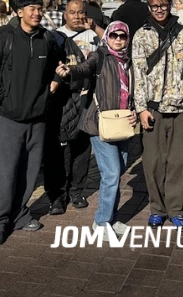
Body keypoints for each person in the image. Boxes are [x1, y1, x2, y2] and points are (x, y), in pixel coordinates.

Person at [0, 0, 63, 245]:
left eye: (39, 9)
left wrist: (54, 84)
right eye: (31, 9)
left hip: (38, 118)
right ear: (19, 12)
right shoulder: (6, 38)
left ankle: (19, 214)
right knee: (5, 172)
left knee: (29, 171)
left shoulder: (46, 39)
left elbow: (53, 70)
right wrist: (3, 100)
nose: (37, 13)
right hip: (9, 118)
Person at [57, 21, 137, 241]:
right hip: (99, 122)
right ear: (107, 37)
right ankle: (101, 221)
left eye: (123, 36)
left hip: (123, 122)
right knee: (110, 174)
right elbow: (85, 68)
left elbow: (135, 89)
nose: (118, 40)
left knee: (117, 172)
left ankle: (112, 217)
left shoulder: (129, 61)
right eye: (114, 36)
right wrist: (69, 71)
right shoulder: (100, 55)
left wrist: (136, 111)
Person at [132, 0, 183, 229]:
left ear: (170, 5)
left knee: (178, 162)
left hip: (178, 109)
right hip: (151, 109)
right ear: (149, 8)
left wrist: (179, 92)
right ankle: (157, 208)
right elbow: (138, 75)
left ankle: (176, 209)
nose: (159, 10)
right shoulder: (141, 35)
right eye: (154, 6)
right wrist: (141, 108)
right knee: (152, 162)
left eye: (163, 5)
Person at [44, 0, 96, 215]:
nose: (76, 16)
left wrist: (96, 29)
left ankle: (77, 191)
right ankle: (57, 196)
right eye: (72, 12)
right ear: (65, 14)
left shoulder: (94, 35)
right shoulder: (55, 36)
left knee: (81, 149)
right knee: (57, 151)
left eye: (80, 12)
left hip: (86, 99)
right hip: (61, 101)